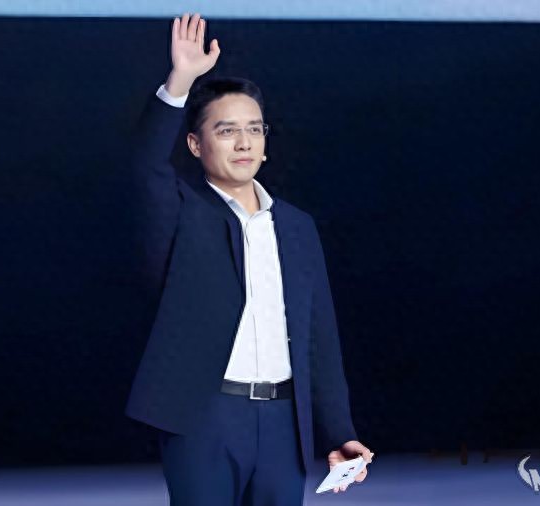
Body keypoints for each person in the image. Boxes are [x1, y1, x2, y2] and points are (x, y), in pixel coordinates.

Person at [124, 12, 374, 506]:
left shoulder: (296, 226)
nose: (244, 143)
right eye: (227, 131)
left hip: (284, 421)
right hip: (205, 417)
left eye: (254, 130)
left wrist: (339, 431)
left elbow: (319, 337)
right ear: (195, 144)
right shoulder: (182, 212)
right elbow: (144, 166)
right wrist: (180, 81)